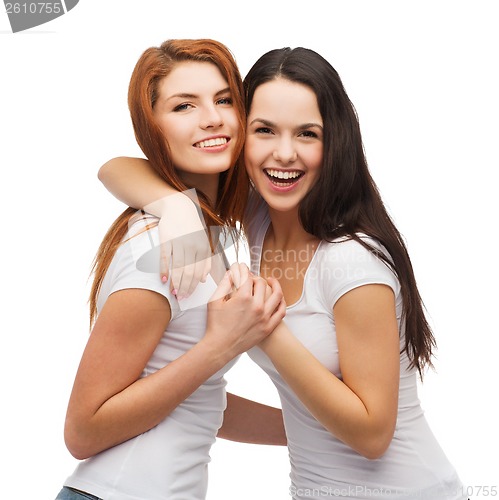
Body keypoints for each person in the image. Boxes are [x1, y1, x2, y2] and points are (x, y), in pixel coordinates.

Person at [98, 47, 467, 499]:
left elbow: (372, 435)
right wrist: (173, 204)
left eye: (307, 134)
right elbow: (114, 167)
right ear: (242, 137)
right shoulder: (257, 222)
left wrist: (262, 328)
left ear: (335, 143)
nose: (284, 153)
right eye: (265, 131)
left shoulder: (353, 261)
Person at [55, 39, 287, 500]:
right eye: (184, 106)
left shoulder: (200, 233)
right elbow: (83, 431)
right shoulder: (160, 248)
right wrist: (221, 346)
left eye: (224, 99)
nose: (212, 118)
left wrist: (306, 429)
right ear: (152, 129)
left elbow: (194, 401)